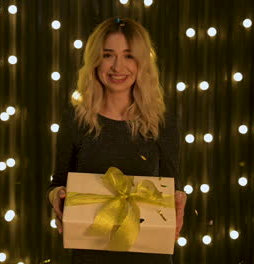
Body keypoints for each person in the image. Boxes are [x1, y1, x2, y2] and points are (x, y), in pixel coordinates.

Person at [47, 17, 187, 264]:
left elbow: (171, 185)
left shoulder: (161, 122)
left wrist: (179, 197)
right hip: (89, 254)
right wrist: (56, 196)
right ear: (95, 60)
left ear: (142, 62)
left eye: (129, 55)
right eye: (108, 55)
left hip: (149, 255)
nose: (118, 66)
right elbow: (57, 183)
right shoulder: (75, 119)